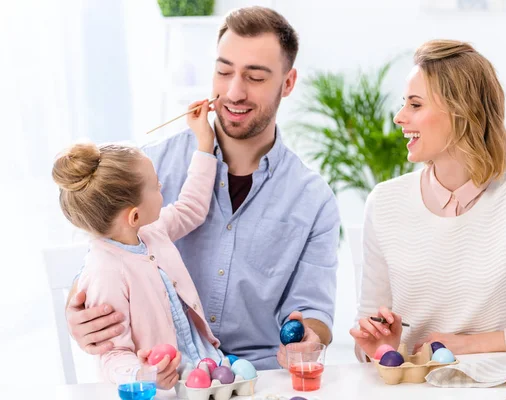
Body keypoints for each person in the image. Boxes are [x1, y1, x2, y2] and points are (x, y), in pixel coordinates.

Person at [64, 6, 340, 371]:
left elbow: (315, 308)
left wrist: (309, 334)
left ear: (287, 84)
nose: (234, 92)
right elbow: (107, 252)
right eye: (224, 71)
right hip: (171, 376)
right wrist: (80, 309)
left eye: (255, 77)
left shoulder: (313, 199)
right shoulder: (147, 171)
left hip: (260, 377)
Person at [350, 39, 506, 361]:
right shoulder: (384, 202)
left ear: (461, 112)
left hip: (495, 387)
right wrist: (381, 346)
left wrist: (472, 344)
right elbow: (365, 341)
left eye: (415, 105)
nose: (399, 117)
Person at [52, 100, 220, 388]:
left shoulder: (151, 231)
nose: (162, 188)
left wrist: (204, 143)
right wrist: (142, 375)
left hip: (208, 368)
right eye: (156, 186)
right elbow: (112, 353)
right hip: (168, 389)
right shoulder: (105, 272)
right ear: (134, 215)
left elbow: (191, 207)